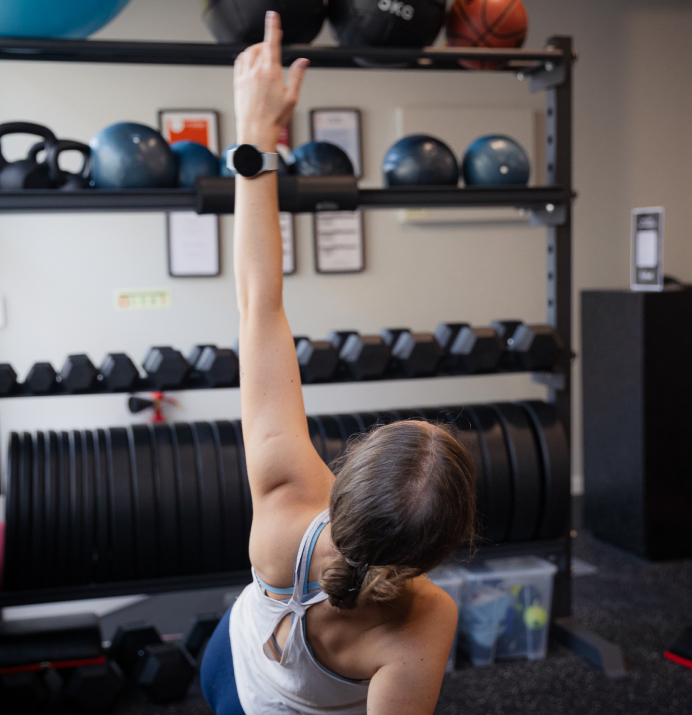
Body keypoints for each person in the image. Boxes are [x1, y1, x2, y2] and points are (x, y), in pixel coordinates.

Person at [200, 13, 477, 715]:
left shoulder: (288, 497)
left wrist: (255, 132)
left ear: (344, 476)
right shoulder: (427, 616)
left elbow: (258, 304)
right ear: (442, 548)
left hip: (226, 668)